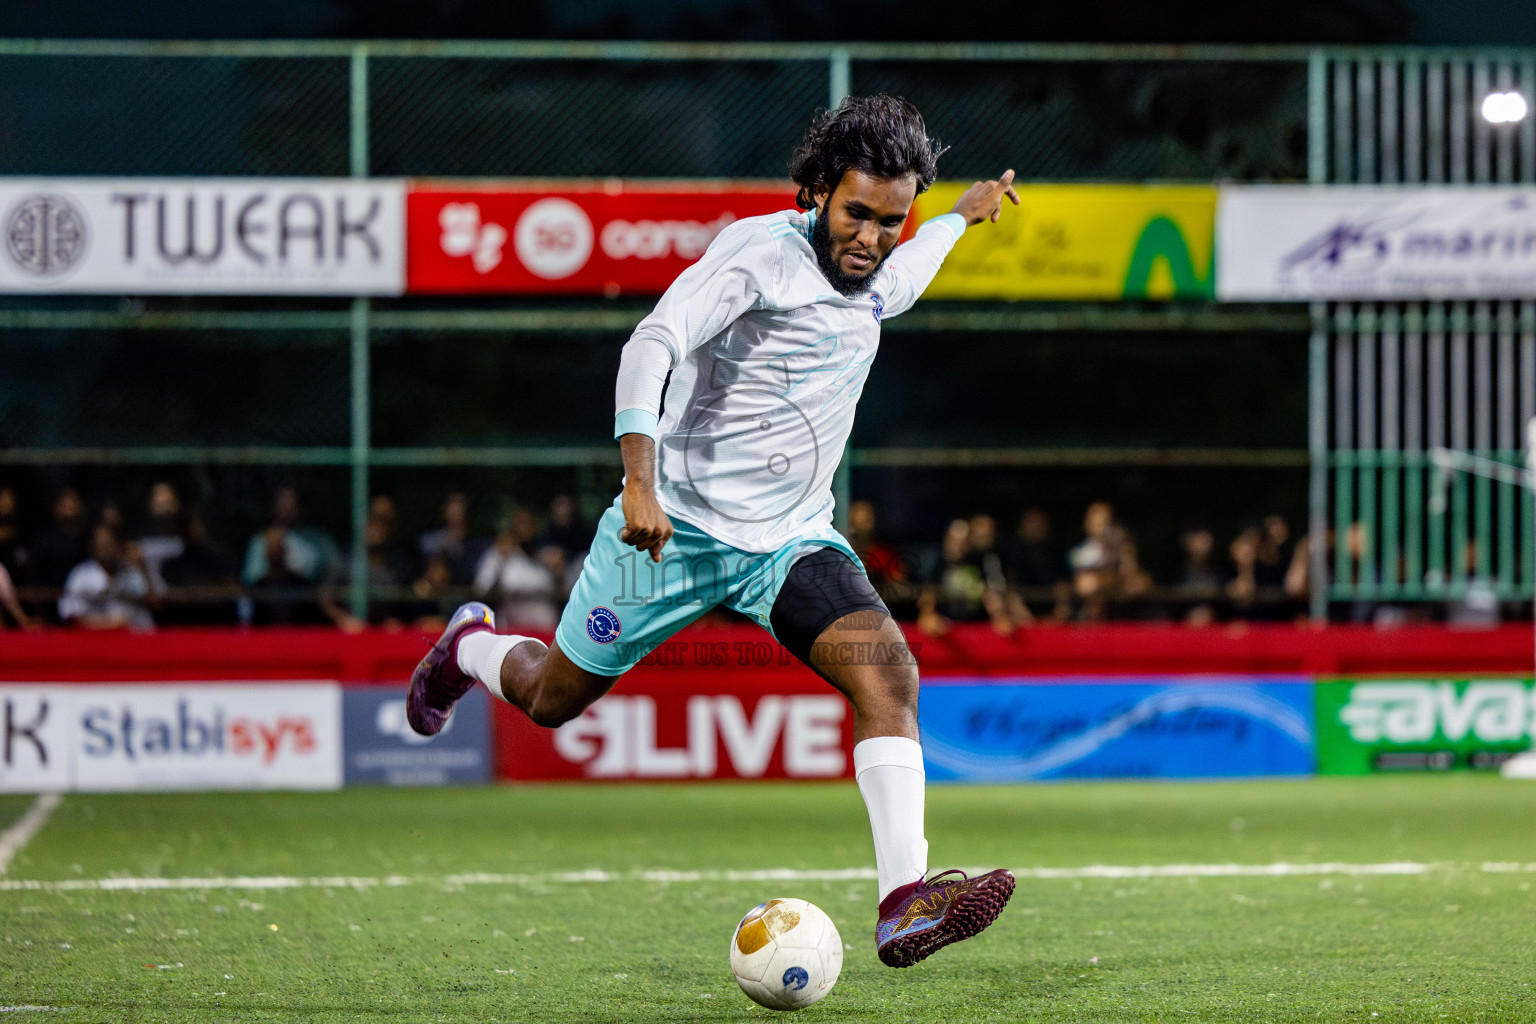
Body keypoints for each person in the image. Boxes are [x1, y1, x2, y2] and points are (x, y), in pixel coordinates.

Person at [407, 95, 1018, 968]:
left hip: (787, 542)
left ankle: (902, 902)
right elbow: (652, 343)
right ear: (815, 193)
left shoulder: (881, 265)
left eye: (891, 219)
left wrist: (961, 213)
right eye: (857, 215)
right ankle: (468, 649)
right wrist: (640, 483)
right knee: (553, 700)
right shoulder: (757, 258)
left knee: (890, 674)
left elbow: (917, 262)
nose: (873, 238)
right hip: (673, 531)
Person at [58, 524, 161, 630]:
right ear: (92, 547)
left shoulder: (133, 571)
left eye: (110, 544)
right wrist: (105, 623)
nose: (106, 550)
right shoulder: (81, 575)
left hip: (134, 636)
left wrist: (143, 567)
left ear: (118, 545)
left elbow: (156, 604)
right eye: (101, 545)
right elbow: (68, 612)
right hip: (94, 637)